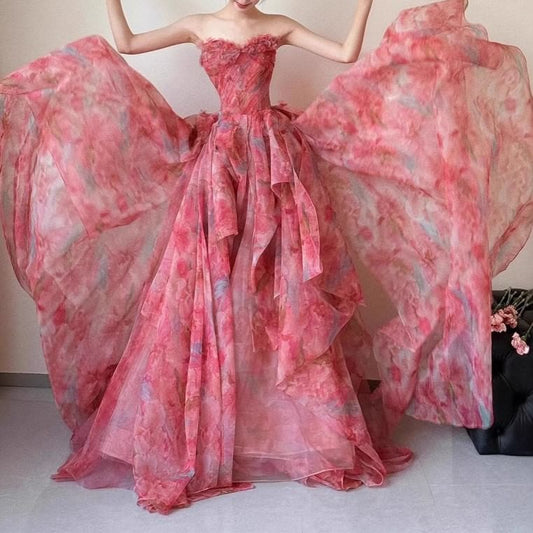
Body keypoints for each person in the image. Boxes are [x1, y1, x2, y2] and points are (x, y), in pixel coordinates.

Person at [0, 0, 532, 515]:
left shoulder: (275, 22)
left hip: (274, 162)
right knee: (211, 287)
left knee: (280, 289)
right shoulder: (200, 22)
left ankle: (286, 431)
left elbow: (346, 53)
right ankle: (216, 428)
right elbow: (128, 43)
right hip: (219, 166)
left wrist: (363, 4)